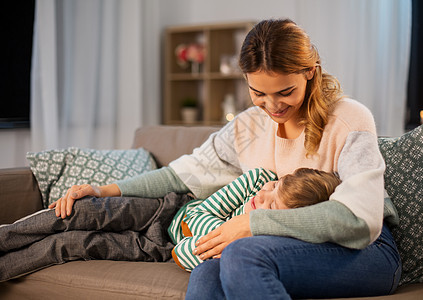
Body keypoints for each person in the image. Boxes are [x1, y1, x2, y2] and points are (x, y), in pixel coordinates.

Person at [2, 18, 401, 299]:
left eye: (285, 92)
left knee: (242, 251)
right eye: (258, 93)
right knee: (210, 265)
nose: (272, 106)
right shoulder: (247, 127)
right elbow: (181, 175)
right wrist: (103, 188)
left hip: (366, 252)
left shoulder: (348, 117)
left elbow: (358, 220)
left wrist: (253, 224)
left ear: (311, 73)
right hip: (284, 241)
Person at [170, 167, 342, 271]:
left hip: (163, 241)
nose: (261, 195)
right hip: (173, 207)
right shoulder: (258, 180)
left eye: (273, 205)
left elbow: (180, 251)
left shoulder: (261, 243)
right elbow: (191, 219)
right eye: (275, 185)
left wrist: (234, 242)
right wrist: (227, 236)